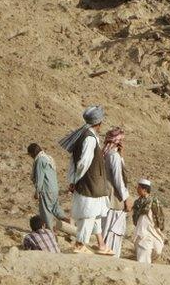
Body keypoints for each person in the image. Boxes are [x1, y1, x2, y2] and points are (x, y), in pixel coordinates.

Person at [59, 105, 114, 255]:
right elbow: (83, 163)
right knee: (89, 215)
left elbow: (72, 162)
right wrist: (75, 180)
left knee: (94, 214)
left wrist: (72, 179)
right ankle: (79, 244)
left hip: (89, 183)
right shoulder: (89, 138)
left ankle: (101, 245)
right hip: (89, 184)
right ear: (99, 123)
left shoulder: (84, 135)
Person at [102, 127, 133, 258]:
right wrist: (126, 198)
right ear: (117, 141)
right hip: (114, 200)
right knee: (113, 231)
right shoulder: (113, 156)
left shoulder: (108, 155)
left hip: (107, 199)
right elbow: (118, 180)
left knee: (107, 230)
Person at [28, 143, 68, 232]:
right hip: (54, 188)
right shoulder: (48, 158)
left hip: (46, 189)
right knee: (55, 208)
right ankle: (68, 223)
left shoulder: (40, 160)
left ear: (32, 153)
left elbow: (40, 177)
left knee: (46, 212)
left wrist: (37, 192)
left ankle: (49, 232)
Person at [132, 179, 165, 264]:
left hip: (152, 228)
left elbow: (159, 215)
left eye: (139, 188)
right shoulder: (137, 202)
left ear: (144, 189)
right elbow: (135, 216)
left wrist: (159, 228)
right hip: (142, 230)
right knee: (143, 247)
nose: (137, 189)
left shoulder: (153, 201)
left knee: (157, 249)